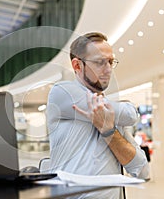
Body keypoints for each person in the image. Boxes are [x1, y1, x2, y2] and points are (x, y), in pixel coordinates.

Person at [46, 32, 149, 198]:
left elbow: (141, 169)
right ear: (77, 65)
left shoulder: (110, 115)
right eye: (100, 62)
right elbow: (130, 114)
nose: (108, 70)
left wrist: (109, 132)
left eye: (110, 62)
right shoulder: (62, 93)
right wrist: (127, 106)